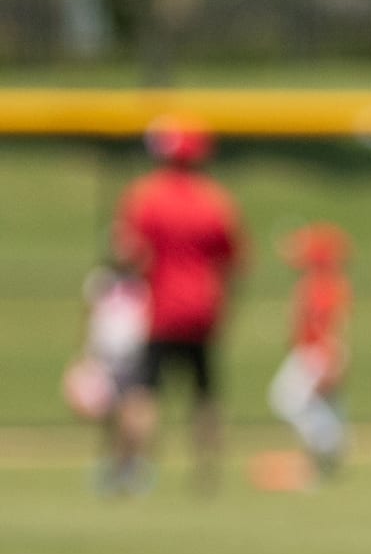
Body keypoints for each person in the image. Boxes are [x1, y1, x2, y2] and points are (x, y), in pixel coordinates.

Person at [112, 116, 247, 494]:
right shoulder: (216, 200)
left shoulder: (146, 196)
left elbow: (126, 251)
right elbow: (235, 261)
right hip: (204, 309)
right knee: (205, 394)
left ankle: (133, 471)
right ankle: (208, 477)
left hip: (159, 310)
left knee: (145, 391)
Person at [267, 225, 353, 481]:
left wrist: (330, 359)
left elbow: (330, 326)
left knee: (287, 399)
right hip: (314, 350)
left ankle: (327, 445)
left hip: (317, 352)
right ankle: (324, 453)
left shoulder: (321, 284)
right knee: (317, 404)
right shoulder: (319, 282)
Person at [64, 262, 152, 493]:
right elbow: (88, 318)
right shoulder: (101, 280)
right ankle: (112, 465)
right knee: (109, 416)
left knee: (133, 415)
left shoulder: (145, 282)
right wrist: (82, 356)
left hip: (134, 357)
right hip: (103, 359)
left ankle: (133, 467)